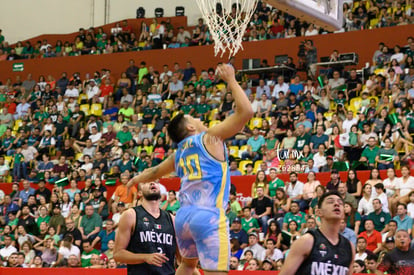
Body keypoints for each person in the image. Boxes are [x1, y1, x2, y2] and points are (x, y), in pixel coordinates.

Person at [127, 64, 253, 275]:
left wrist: (133, 180)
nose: (199, 119)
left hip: (184, 217)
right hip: (208, 215)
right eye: (195, 119)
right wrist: (231, 79)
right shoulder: (210, 137)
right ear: (192, 128)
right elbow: (247, 111)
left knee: (187, 265)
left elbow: (154, 172)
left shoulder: (179, 153)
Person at [279, 191, 355, 275]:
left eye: (340, 203)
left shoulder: (349, 247)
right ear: (319, 212)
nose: (336, 204)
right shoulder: (306, 241)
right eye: (330, 201)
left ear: (343, 214)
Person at [114, 181, 176, 275]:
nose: (152, 183)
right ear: (140, 193)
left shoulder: (172, 219)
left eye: (155, 181)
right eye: (147, 182)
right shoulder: (130, 215)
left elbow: (183, 259)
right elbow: (118, 254)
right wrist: (145, 257)